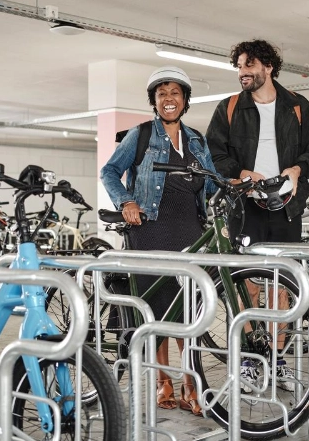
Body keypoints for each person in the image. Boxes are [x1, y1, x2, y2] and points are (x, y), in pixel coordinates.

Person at [206, 39, 309, 391]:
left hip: (286, 205)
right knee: (246, 284)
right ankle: (249, 358)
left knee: (281, 286)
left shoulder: (297, 106)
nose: (242, 72)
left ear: (268, 67)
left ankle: (275, 359)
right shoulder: (229, 108)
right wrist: (242, 173)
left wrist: (297, 170)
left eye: (248, 66)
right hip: (244, 206)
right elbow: (216, 153)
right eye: (239, 67)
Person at [100, 65, 220, 416]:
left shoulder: (197, 139)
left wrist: (229, 186)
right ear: (154, 101)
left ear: (185, 101)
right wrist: (126, 201)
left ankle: (190, 383)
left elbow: (211, 182)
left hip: (190, 229)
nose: (169, 99)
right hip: (151, 227)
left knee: (190, 310)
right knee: (159, 310)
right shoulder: (139, 135)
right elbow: (110, 171)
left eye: (175, 93)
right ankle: (163, 382)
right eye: (162, 94)